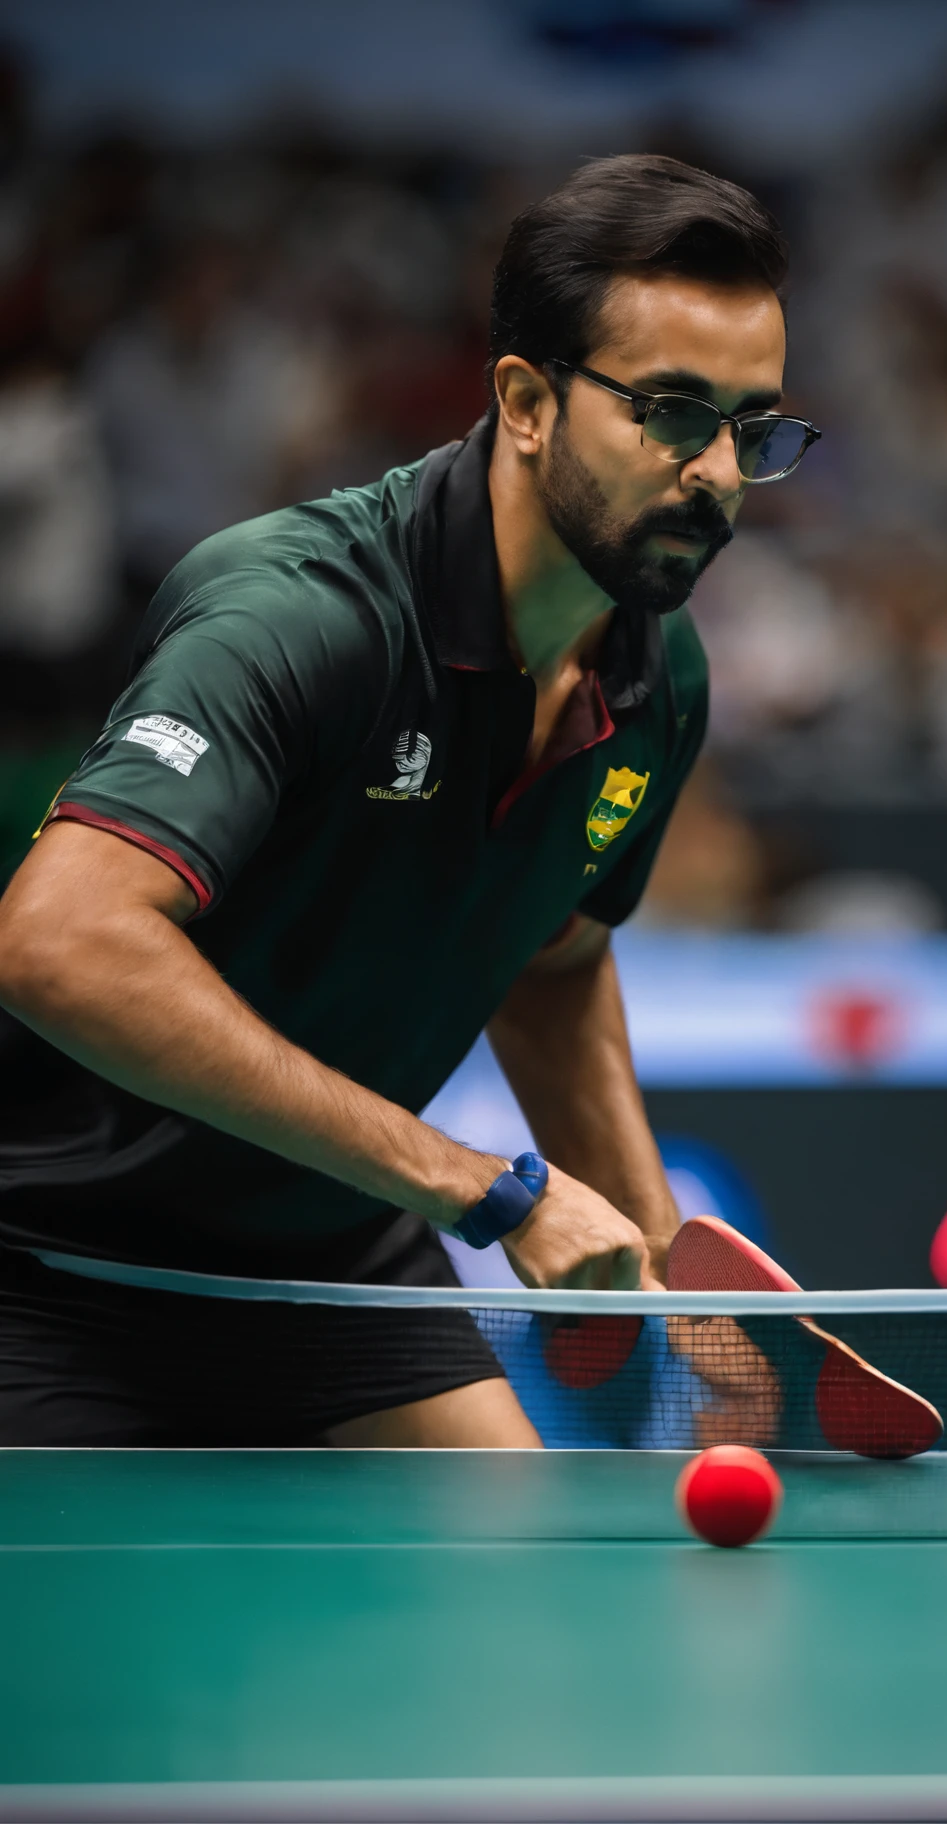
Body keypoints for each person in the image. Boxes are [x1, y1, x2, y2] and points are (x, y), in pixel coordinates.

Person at [0, 155, 818, 1449]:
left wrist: (673, 1276)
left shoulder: (654, 673)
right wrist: (486, 1191)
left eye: (751, 427)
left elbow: (553, 962)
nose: (717, 470)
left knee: (508, 1615)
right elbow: (57, 943)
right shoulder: (301, 618)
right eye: (670, 412)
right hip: (55, 1258)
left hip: (330, 1252)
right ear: (527, 401)